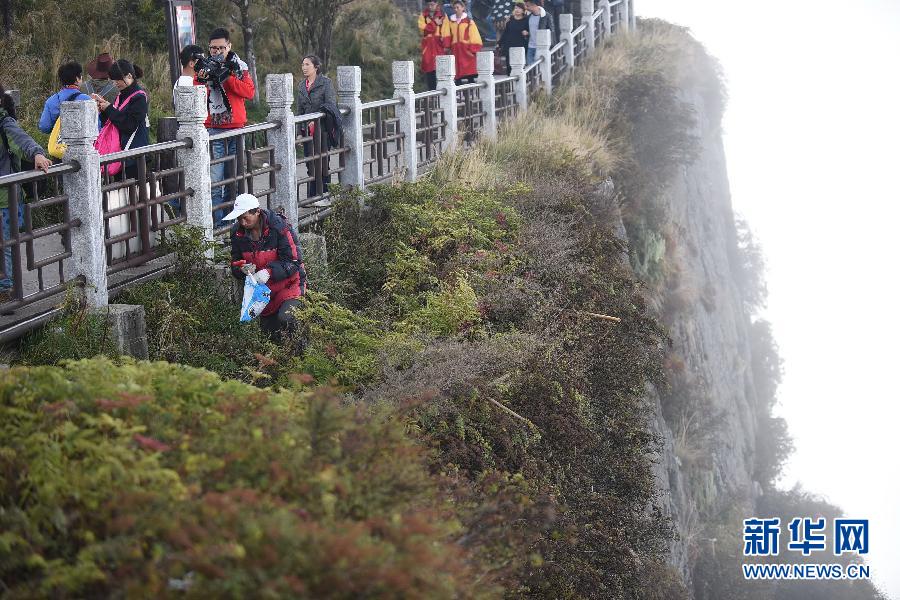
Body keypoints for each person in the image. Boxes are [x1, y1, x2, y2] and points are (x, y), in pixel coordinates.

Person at [226, 193, 306, 343]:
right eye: (239, 218)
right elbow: (235, 263)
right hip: (262, 295)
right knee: (270, 337)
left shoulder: (279, 228)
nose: (242, 222)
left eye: (245, 217)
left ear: (257, 212)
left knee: (287, 318)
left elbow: (294, 262)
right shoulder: (237, 234)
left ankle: (302, 355)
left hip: (290, 286)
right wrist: (241, 269)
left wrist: (269, 271)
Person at [196, 27, 256, 227]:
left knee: (234, 178)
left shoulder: (240, 66)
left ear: (229, 46)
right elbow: (196, 92)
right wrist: (203, 77)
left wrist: (226, 77)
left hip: (236, 127)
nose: (217, 52)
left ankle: (235, 224)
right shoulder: (203, 66)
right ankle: (219, 224)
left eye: (221, 47)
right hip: (213, 128)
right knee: (215, 180)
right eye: (213, 48)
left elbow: (249, 92)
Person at [0, 84, 51, 302]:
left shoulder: (5, 124)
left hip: (5, 198)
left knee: (5, 245)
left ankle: (7, 291)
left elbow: (23, 140)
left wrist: (37, 154)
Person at [91, 59, 150, 179]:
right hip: (120, 153)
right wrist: (104, 110)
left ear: (128, 76)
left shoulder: (139, 97)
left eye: (117, 79)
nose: (115, 83)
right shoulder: (121, 95)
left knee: (134, 195)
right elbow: (115, 121)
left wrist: (109, 109)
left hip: (134, 155)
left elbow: (129, 125)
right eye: (113, 80)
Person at [295, 55, 337, 203]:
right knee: (310, 164)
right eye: (303, 64)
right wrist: (299, 133)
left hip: (323, 130)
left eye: (307, 64)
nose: (304, 67)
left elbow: (331, 106)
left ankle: (325, 196)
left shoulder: (325, 83)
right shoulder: (301, 85)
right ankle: (312, 198)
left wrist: (317, 119)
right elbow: (299, 111)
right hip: (307, 132)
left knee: (323, 163)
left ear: (316, 67)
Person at [38, 62, 93, 136]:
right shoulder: (86, 100)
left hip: (58, 145)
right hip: (81, 145)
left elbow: (44, 127)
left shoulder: (51, 101)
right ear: (77, 79)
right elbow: (95, 126)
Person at [447, 0, 483, 85]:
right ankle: (458, 87)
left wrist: (473, 49)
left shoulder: (468, 21)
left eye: (458, 7)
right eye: (454, 8)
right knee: (457, 69)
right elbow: (449, 34)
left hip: (466, 48)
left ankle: (471, 87)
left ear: (463, 8)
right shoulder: (451, 21)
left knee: (469, 70)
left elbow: (474, 35)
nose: (456, 9)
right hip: (455, 49)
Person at [419, 1, 448, 91]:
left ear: (437, 4)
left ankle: (442, 92)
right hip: (428, 47)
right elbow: (423, 30)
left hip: (439, 46)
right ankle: (432, 93)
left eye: (433, 4)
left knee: (441, 70)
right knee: (429, 71)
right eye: (429, 4)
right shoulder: (423, 16)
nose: (430, 6)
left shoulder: (443, 15)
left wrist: (445, 45)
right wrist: (435, 24)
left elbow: (446, 32)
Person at [497, 3, 530, 75]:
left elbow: (530, 32)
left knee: (520, 66)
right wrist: (499, 43)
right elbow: (505, 33)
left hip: (521, 46)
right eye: (515, 8)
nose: (517, 10)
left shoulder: (526, 20)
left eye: (519, 8)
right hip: (509, 46)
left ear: (523, 10)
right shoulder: (510, 20)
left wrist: (527, 33)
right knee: (509, 65)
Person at [523, 0, 551, 65]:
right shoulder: (528, 17)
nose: (526, 8)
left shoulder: (546, 16)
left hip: (541, 47)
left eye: (528, 6)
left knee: (540, 67)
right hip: (530, 46)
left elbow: (551, 31)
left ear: (534, 5)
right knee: (529, 68)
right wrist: (527, 33)